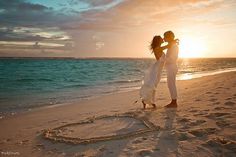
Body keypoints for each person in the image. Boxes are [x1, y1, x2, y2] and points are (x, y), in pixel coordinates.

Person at [140, 36, 168, 109]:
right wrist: (173, 41)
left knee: (153, 86)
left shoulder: (158, 48)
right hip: (156, 70)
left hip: (159, 70)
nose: (163, 39)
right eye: (161, 38)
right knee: (152, 86)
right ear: (158, 40)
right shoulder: (157, 48)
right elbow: (168, 46)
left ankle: (148, 101)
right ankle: (149, 101)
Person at [163, 31, 179, 108]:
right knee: (170, 84)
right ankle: (173, 101)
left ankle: (174, 102)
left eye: (165, 36)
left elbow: (173, 58)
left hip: (172, 66)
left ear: (168, 37)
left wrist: (163, 59)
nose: (164, 38)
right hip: (170, 67)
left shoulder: (174, 46)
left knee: (171, 84)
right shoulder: (171, 45)